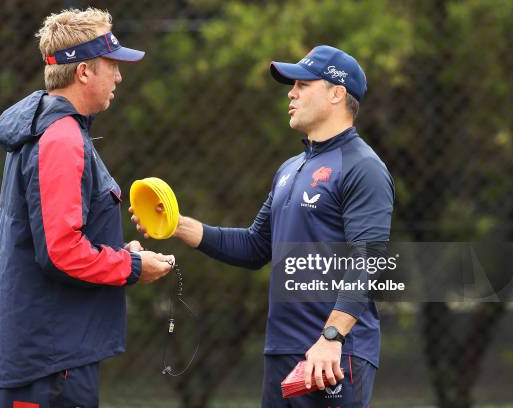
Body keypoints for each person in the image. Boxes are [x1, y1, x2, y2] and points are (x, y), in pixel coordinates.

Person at [132, 45, 394, 407]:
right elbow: (256, 246)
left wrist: (332, 337)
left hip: (334, 357)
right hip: (283, 353)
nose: (291, 92)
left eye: (303, 84)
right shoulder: (289, 169)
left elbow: (368, 259)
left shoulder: (363, 166)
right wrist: (175, 224)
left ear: (337, 93)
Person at [0, 8, 175, 407]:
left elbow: (60, 238)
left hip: (48, 356)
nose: (119, 77)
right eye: (112, 65)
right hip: (50, 365)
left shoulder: (49, 127)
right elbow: (60, 251)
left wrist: (119, 253)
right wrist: (132, 268)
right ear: (84, 71)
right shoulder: (61, 138)